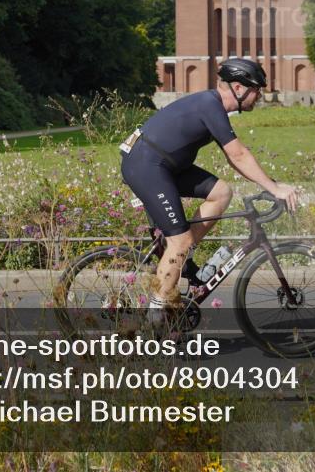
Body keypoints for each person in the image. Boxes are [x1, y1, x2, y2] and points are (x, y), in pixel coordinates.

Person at [120, 58, 298, 320]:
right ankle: (155, 318)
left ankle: (180, 254)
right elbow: (237, 155)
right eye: (256, 90)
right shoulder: (210, 105)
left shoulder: (211, 105)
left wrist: (272, 184)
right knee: (179, 241)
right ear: (238, 88)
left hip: (164, 165)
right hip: (147, 166)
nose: (259, 95)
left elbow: (235, 158)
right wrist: (274, 188)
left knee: (222, 192)